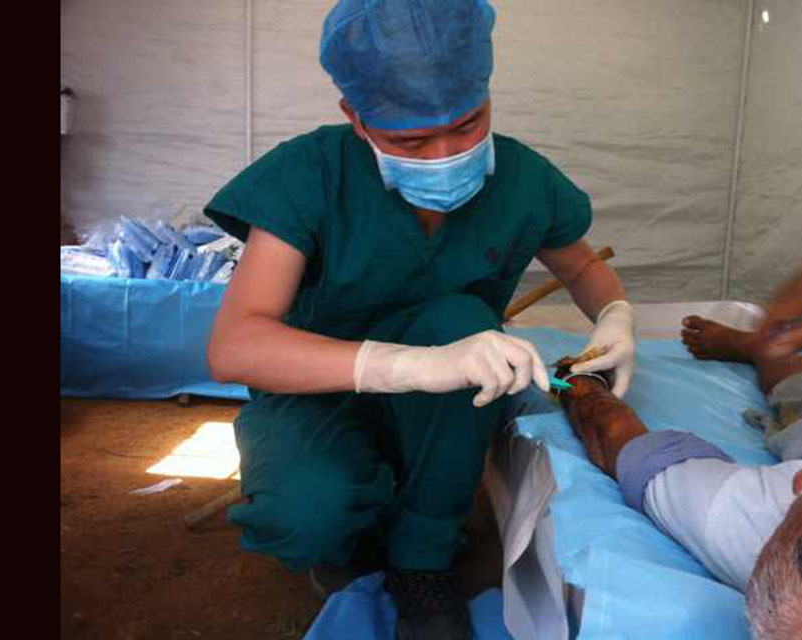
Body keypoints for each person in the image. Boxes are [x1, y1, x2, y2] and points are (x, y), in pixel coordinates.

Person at [203, 2, 635, 638]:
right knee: (308, 515)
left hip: (444, 410)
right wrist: (406, 365)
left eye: (467, 125)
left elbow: (582, 266)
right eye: (410, 141)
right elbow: (236, 345)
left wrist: (615, 315)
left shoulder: (522, 179)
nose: (445, 155)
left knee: (462, 319)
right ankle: (354, 523)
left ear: (485, 93)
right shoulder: (309, 174)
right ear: (355, 116)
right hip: (316, 393)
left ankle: (423, 560)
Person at [559, 246, 802, 638]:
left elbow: (618, 439)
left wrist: (577, 380)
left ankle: (766, 350)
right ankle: (761, 347)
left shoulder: (760, 528)